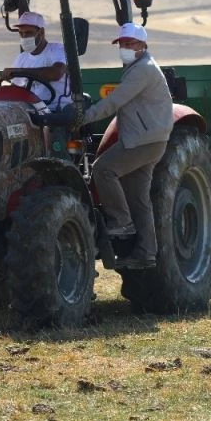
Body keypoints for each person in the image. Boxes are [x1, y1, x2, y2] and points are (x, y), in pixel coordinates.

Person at [81, 22, 174, 270]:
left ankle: (121, 222)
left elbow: (115, 101)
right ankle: (146, 253)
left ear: (143, 46)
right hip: (152, 140)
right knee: (138, 197)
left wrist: (83, 117)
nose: (125, 48)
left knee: (103, 170)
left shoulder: (142, 70)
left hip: (142, 141)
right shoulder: (141, 67)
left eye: (130, 43)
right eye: (122, 44)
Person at [0, 11, 71, 111]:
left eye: (28, 33)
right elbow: (15, 89)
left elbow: (56, 73)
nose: (24, 37)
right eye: (21, 33)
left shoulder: (58, 50)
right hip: (33, 110)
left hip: (58, 110)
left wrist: (20, 71)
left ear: (41, 32)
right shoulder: (22, 58)